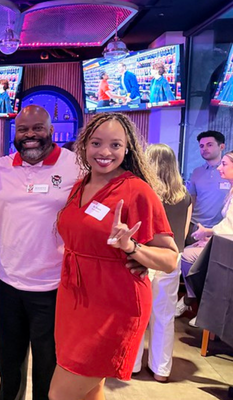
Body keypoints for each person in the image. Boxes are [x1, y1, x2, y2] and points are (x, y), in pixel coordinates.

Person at [0, 105, 80, 400]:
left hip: (53, 289)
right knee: (9, 370)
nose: (30, 134)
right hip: (8, 286)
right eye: (23, 129)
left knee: (47, 370)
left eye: (38, 128)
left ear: (51, 130)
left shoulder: (76, 166)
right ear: (15, 133)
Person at [49, 113, 178, 400]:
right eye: (96, 143)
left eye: (115, 145)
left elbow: (170, 258)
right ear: (84, 146)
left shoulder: (137, 191)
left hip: (114, 305)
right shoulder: (80, 185)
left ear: (127, 149)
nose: (104, 152)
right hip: (74, 299)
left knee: (59, 394)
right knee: (90, 390)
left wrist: (132, 248)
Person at [133, 144, 192, 382]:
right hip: (171, 259)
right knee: (165, 316)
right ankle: (161, 370)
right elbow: (183, 233)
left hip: (144, 256)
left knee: (137, 314)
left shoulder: (142, 191)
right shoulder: (184, 195)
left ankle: (133, 365)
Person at [177, 131, 229, 321]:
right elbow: (191, 200)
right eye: (201, 146)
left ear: (221, 147)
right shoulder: (197, 172)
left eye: (209, 144)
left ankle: (198, 308)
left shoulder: (228, 172)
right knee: (187, 265)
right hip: (195, 226)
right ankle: (192, 302)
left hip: (220, 232)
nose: (204, 149)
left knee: (210, 272)